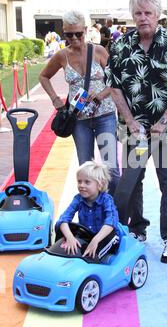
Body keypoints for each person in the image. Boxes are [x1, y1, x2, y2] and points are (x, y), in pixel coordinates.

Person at [106, 0, 167, 263]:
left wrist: (165, 119)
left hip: (165, 131)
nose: (143, 17)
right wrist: (130, 120)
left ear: (157, 15)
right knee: (132, 182)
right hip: (134, 131)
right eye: (138, 13)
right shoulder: (121, 46)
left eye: (148, 13)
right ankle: (137, 230)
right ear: (133, 16)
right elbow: (114, 87)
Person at [39, 10, 120, 196]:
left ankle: (115, 214)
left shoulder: (98, 50)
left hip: (105, 116)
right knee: (85, 171)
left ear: (85, 30)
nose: (74, 38)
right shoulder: (61, 56)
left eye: (78, 33)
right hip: (79, 120)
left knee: (112, 170)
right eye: (69, 34)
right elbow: (44, 76)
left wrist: (102, 93)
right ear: (63, 32)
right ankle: (90, 216)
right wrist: (54, 99)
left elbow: (117, 78)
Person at [55, 161, 120, 259]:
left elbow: (110, 222)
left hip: (104, 236)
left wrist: (95, 240)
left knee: (92, 256)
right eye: (79, 181)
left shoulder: (107, 199)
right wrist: (70, 238)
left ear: (100, 185)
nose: (81, 185)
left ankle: (97, 261)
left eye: (87, 182)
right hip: (87, 235)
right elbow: (63, 219)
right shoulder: (78, 199)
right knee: (59, 226)